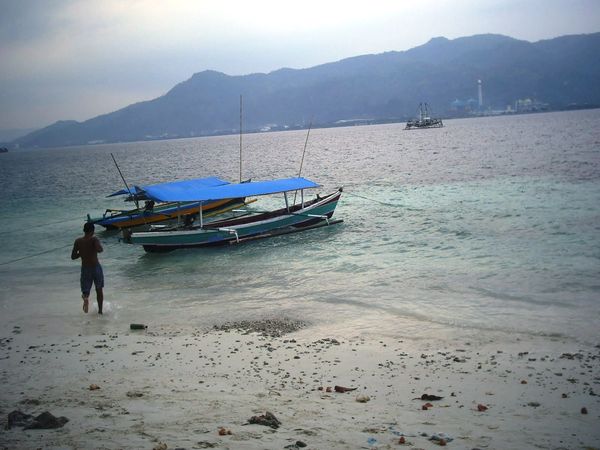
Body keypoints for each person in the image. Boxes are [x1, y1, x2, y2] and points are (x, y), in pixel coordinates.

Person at [71, 222, 104, 314]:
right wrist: (96, 243)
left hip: (85, 268)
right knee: (99, 289)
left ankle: (85, 298)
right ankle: (100, 311)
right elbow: (100, 250)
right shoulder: (94, 239)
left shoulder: (78, 241)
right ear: (93, 231)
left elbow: (73, 256)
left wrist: (81, 253)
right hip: (96, 267)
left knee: (86, 291)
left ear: (84, 231)